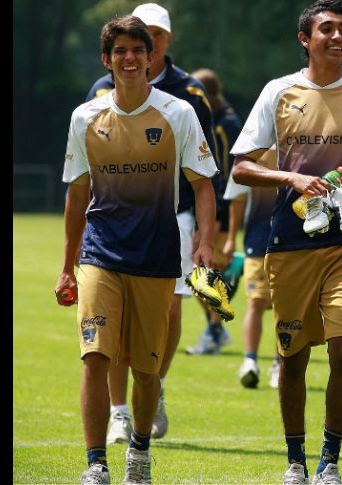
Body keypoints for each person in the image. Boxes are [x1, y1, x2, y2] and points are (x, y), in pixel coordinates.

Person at [231, 1, 342, 483]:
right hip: (289, 243)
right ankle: (296, 461)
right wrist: (291, 178)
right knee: (293, 356)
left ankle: (330, 461)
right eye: (327, 29)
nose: (338, 36)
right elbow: (241, 167)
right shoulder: (278, 92)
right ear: (306, 39)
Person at [55, 15, 217, 485]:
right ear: (106, 60)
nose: (129, 58)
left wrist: (206, 242)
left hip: (157, 256)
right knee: (96, 356)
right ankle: (96, 464)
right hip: (99, 254)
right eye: (120, 51)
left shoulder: (178, 113)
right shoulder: (85, 117)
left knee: (147, 371)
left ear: (151, 58)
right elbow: (77, 194)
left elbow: (203, 185)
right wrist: (67, 267)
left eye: (137, 51)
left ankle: (140, 454)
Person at [185, 67, 246, 355]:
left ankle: (214, 331)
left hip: (219, 212)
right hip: (211, 211)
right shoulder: (217, 120)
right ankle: (216, 329)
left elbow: (228, 176)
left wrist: (219, 219)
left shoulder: (226, 126)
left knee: (204, 273)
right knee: (197, 274)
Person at [222, 147, 281, 388]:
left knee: (284, 306)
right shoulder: (251, 151)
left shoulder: (301, 146)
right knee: (256, 301)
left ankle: (280, 363)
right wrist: (230, 239)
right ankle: (250, 361)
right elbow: (238, 197)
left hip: (291, 242)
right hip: (257, 240)